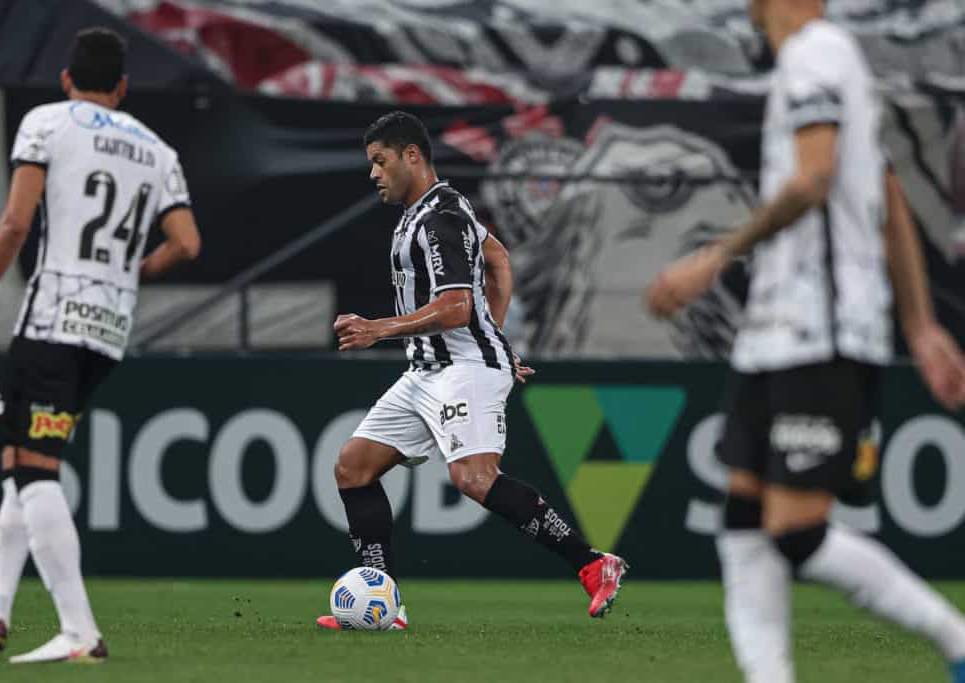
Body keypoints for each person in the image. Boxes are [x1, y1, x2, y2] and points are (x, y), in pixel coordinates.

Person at [645, 1, 965, 681]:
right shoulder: (827, 58)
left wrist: (715, 256)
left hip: (820, 332)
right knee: (742, 517)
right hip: (774, 336)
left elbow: (816, 177)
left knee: (796, 531)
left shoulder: (814, 54)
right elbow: (885, 192)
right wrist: (921, 324)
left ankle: (957, 638)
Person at [316, 111, 625, 630]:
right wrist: (495, 336)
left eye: (380, 161)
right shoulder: (438, 208)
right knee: (353, 467)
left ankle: (593, 564)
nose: (373, 173)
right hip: (428, 370)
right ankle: (387, 606)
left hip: (461, 367)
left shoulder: (440, 218)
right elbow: (499, 259)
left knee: (474, 478)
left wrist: (380, 329)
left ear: (411, 155)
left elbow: (457, 306)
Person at [0, 27, 200, 663]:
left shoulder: (47, 123)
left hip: (54, 319)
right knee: (18, 463)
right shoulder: (157, 150)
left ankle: (79, 631)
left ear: (67, 79)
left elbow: (15, 222)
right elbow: (187, 244)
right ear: (122, 87)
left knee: (34, 469)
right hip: (108, 331)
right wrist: (130, 272)